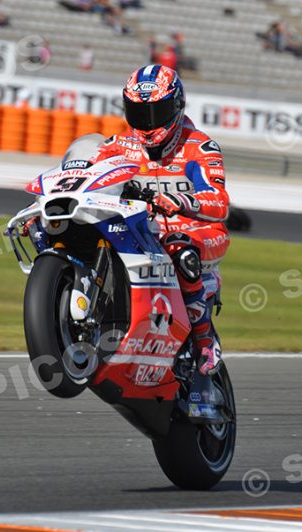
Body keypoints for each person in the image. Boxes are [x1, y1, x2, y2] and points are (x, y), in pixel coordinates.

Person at [91, 65, 230, 376]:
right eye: (139, 113)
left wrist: (182, 201)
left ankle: (205, 339)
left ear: (177, 106)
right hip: (146, 231)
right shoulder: (117, 146)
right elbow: (86, 179)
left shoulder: (199, 147)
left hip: (201, 232)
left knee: (180, 248)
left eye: (157, 112)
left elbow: (219, 202)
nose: (148, 123)